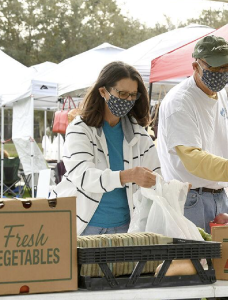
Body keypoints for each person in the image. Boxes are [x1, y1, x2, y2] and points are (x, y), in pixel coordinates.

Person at [157, 35, 228, 234]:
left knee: (223, 261)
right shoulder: (180, 102)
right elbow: (193, 158)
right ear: (195, 66)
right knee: (193, 262)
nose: (221, 73)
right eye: (214, 68)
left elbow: (215, 145)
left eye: (226, 68)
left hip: (219, 196)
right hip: (190, 200)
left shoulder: (220, 93)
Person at [51, 61, 160, 236]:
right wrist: (128, 176)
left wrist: (171, 187)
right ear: (103, 91)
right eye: (122, 94)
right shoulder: (80, 129)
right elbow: (83, 176)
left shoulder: (139, 135)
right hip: (84, 227)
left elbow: (155, 175)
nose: (128, 100)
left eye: (133, 95)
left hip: (126, 228)